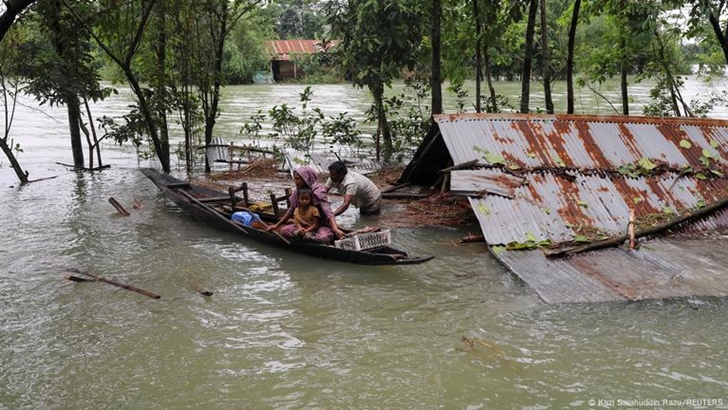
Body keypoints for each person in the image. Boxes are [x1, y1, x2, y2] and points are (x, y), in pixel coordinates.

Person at [266, 166, 335, 243]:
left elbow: (328, 213)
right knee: (284, 230)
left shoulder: (318, 192)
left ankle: (311, 238)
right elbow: (290, 211)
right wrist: (277, 225)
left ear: (306, 178)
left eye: (298, 179)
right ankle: (306, 237)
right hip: (302, 225)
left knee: (323, 237)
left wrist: (336, 229)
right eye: (294, 178)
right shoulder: (298, 192)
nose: (295, 181)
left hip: (320, 225)